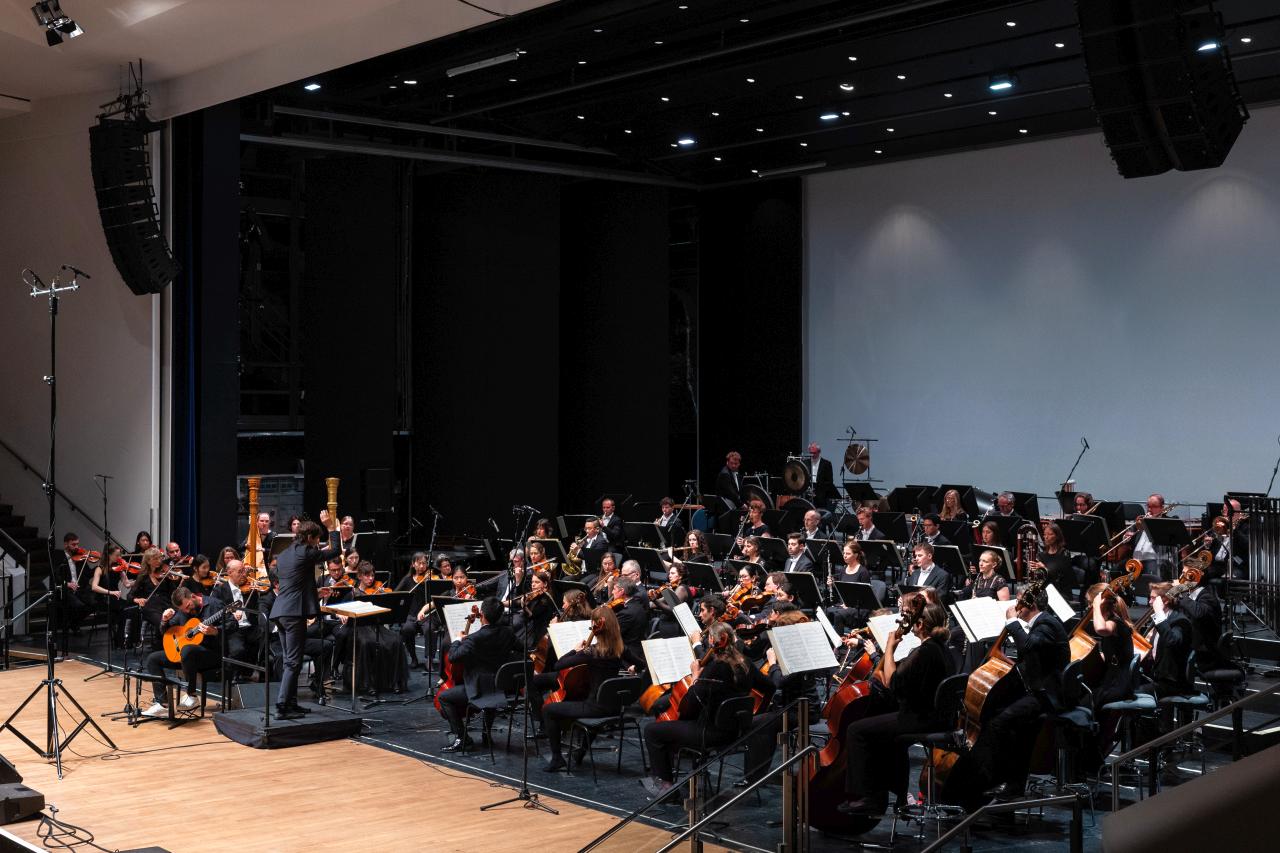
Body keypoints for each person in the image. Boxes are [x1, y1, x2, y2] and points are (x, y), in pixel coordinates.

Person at [838, 601, 955, 816]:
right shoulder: (941, 648)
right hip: (938, 717)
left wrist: (890, 648)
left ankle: (867, 798)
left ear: (919, 624)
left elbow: (893, 683)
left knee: (857, 730)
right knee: (886, 735)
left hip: (921, 718)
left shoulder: (924, 652)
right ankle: (899, 795)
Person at [641, 621, 775, 798]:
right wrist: (751, 715)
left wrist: (695, 675)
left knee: (652, 730)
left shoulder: (715, 668)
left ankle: (666, 787)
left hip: (709, 733)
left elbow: (690, 705)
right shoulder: (745, 664)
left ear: (712, 640)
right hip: (736, 732)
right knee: (670, 730)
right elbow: (770, 687)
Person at [968, 581, 1069, 799]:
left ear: (1030, 604)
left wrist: (1012, 622)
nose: (1015, 606)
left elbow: (1028, 646)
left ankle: (994, 778)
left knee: (999, 723)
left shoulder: (1046, 624)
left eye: (1019, 602)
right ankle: (1010, 782)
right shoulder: (1044, 621)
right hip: (1039, 690)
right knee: (1002, 716)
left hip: (1047, 696)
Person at [541, 605, 642, 771]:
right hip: (616, 707)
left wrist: (574, 650)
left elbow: (558, 665)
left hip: (595, 708)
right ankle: (581, 751)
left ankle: (557, 758)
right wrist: (633, 668)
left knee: (548, 710)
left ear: (597, 626)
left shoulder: (591, 652)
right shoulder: (621, 649)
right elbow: (642, 664)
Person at [269, 520, 339, 719]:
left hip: (280, 611)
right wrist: (331, 528)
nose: (317, 543)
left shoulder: (284, 554)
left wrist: (314, 592)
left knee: (291, 660)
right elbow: (335, 551)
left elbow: (294, 582)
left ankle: (291, 704)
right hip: (293, 614)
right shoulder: (306, 552)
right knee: (293, 662)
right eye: (317, 539)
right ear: (309, 537)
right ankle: (282, 707)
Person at [438, 597, 520, 752]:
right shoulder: (508, 633)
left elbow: (453, 657)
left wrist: (457, 640)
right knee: (489, 687)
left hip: (478, 689)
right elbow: (521, 648)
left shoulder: (474, 638)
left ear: (482, 614)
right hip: (499, 687)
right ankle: (486, 734)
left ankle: (462, 738)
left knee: (443, 698)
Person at [141, 587, 232, 717]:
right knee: (152, 659)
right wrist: (164, 621)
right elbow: (167, 632)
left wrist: (216, 630)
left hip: (212, 654)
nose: (187, 611)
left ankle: (192, 695)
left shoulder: (215, 605)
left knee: (187, 649)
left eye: (188, 606)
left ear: (193, 596)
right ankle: (163, 704)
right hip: (187, 657)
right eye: (184, 610)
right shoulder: (183, 611)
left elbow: (233, 624)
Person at [207, 559, 260, 681]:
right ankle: (230, 677)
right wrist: (231, 616)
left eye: (244, 571)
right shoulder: (219, 590)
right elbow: (215, 612)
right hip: (233, 628)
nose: (244, 575)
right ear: (230, 573)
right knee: (237, 650)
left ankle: (253, 673)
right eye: (240, 572)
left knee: (266, 638)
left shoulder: (249, 589)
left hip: (250, 626)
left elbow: (256, 609)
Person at [1031, 521, 1073, 603]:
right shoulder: (1041, 555)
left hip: (1060, 592)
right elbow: (1039, 578)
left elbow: (1059, 577)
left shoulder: (1064, 554)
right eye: (1044, 534)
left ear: (1057, 536)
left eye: (1050, 534)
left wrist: (1044, 568)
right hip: (1044, 591)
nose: (1046, 537)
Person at [652, 563, 693, 638]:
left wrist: (655, 600)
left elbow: (673, 610)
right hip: (669, 624)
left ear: (680, 576)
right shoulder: (673, 588)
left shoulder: (681, 589)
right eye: (669, 573)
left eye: (673, 573)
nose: (669, 575)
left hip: (676, 627)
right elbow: (659, 602)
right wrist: (647, 601)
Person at [807, 441, 837, 506]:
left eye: (814, 453)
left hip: (821, 496)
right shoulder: (805, 463)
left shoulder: (826, 464)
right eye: (811, 453)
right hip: (808, 495)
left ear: (819, 451)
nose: (812, 455)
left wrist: (817, 492)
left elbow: (829, 482)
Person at [715, 450, 745, 515]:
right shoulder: (725, 474)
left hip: (732, 507)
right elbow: (731, 493)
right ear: (727, 462)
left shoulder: (736, 472)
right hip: (724, 509)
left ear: (739, 464)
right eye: (731, 463)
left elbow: (738, 490)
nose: (733, 465)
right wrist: (742, 505)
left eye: (736, 463)